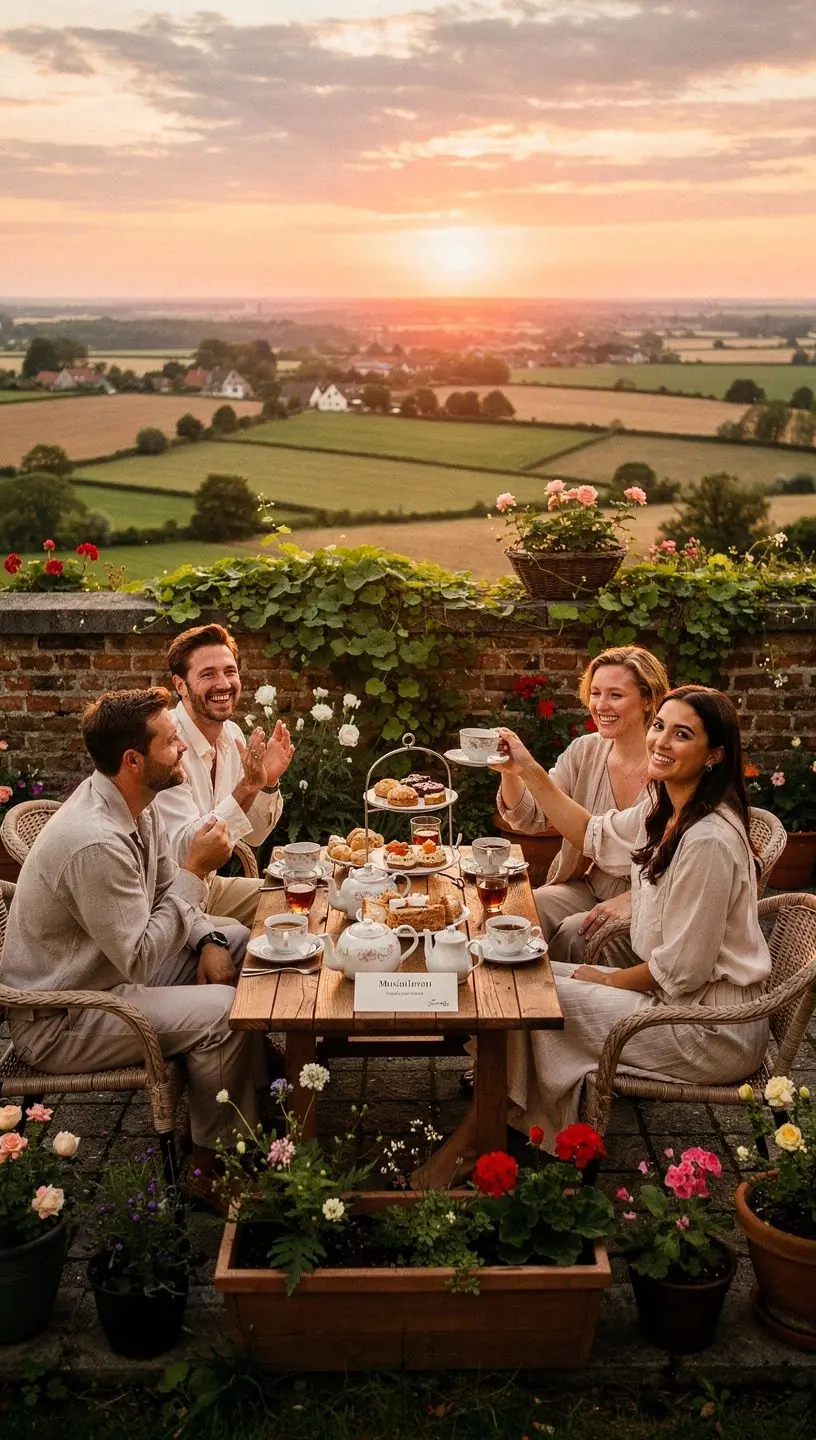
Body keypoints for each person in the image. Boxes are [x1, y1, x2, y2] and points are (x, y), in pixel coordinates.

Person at [420, 686, 771, 1182]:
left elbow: (683, 973)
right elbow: (591, 832)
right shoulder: (665, 810)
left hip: (710, 1026)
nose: (662, 742)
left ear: (714, 756)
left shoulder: (707, 839)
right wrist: (524, 769)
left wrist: (598, 979)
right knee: (510, 969)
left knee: (531, 1000)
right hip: (675, 999)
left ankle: (476, 1139)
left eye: (682, 734)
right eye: (660, 727)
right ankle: (508, 1124)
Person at [1, 687, 263, 1200]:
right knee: (225, 1009)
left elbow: (168, 894)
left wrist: (209, 935)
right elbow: (142, 953)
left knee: (238, 941)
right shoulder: (95, 839)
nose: (183, 747)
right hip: (63, 1016)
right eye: (171, 742)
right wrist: (197, 869)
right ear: (133, 759)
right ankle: (209, 1167)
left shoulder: (137, 803)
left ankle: (247, 1089)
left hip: (113, 972)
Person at [495, 646, 670, 966]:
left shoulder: (668, 763)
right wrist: (512, 773)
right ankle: (511, 1003)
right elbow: (530, 817)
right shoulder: (585, 751)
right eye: (595, 692)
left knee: (575, 934)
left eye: (616, 695)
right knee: (525, 910)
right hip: (588, 884)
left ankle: (558, 1010)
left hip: (648, 897)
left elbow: (675, 861)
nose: (601, 705)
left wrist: (634, 898)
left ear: (648, 700)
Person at [152, 624, 295, 928]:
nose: (223, 684)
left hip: (210, 890)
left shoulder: (231, 735)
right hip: (167, 905)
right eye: (207, 675)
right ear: (180, 684)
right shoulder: (166, 748)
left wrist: (267, 783)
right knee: (250, 940)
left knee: (297, 895)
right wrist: (247, 789)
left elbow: (253, 835)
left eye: (230, 671)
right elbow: (188, 851)